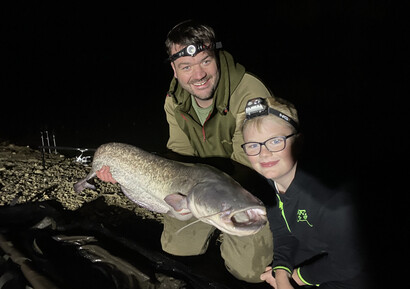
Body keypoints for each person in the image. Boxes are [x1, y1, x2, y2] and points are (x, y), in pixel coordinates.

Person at [96, 20, 274, 283]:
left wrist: (211, 204)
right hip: (203, 184)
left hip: (249, 184)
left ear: (216, 56)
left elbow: (251, 165)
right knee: (177, 249)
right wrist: (124, 174)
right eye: (186, 67)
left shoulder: (251, 94)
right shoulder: (175, 98)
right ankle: (213, 221)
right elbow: (179, 153)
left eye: (205, 61)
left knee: (249, 273)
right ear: (174, 69)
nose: (198, 75)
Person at [239, 97, 366, 288]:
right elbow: (282, 232)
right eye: (253, 145)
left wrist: (295, 278)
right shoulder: (268, 183)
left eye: (275, 141)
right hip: (313, 258)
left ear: (298, 142)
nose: (263, 153)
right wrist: (281, 271)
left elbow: (349, 265)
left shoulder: (331, 198)